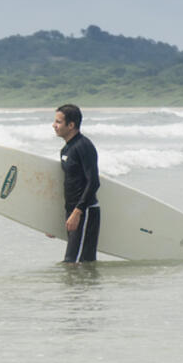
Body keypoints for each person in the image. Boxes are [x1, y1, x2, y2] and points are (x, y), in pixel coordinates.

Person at [53, 104, 100, 263]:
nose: (54, 125)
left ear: (71, 125)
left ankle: (83, 288)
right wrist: (54, 223)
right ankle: (81, 288)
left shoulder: (84, 146)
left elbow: (93, 182)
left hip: (85, 212)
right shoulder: (65, 150)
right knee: (75, 263)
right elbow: (69, 185)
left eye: (58, 122)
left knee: (76, 263)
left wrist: (78, 212)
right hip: (73, 212)